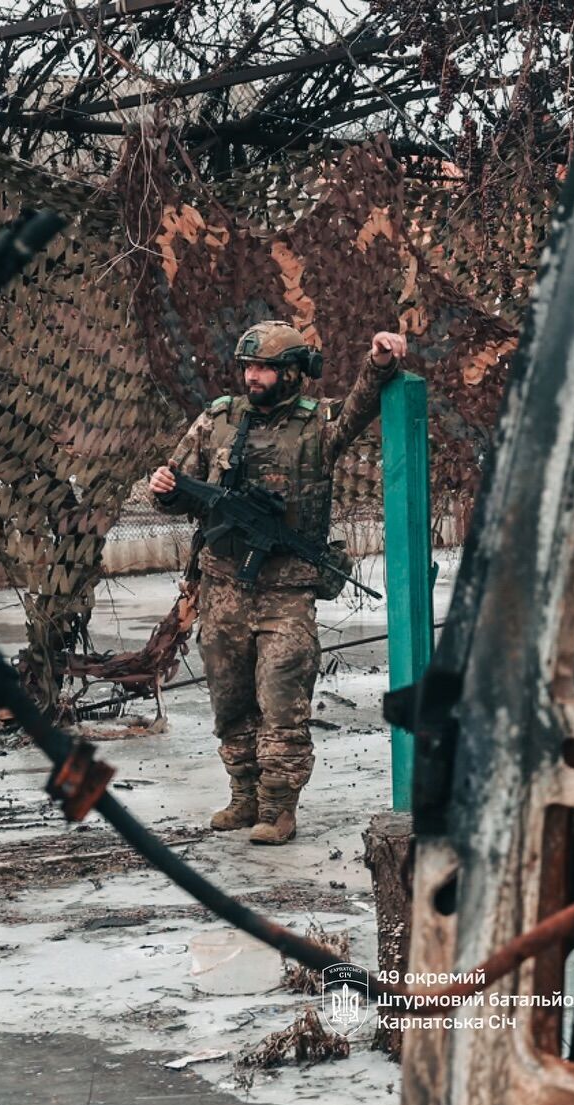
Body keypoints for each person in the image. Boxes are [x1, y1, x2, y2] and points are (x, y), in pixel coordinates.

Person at [149, 321, 407, 844]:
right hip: (222, 588)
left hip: (286, 593)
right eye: (249, 367)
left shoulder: (316, 426)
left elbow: (360, 406)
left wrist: (379, 363)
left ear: (292, 373)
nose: (254, 376)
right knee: (229, 703)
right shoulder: (219, 420)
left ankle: (278, 809)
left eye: (265, 367)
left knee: (282, 701)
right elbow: (175, 485)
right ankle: (243, 797)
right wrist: (166, 490)